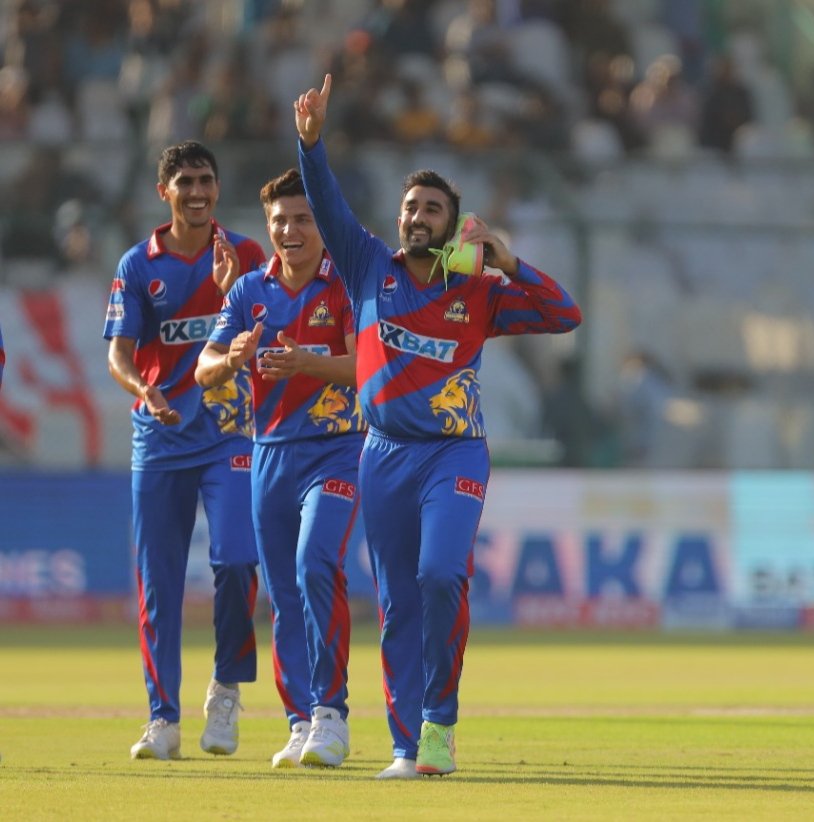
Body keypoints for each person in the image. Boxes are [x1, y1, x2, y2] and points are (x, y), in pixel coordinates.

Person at [293, 75, 583, 779]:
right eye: (411, 207)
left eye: (432, 209)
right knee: (397, 605)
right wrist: (311, 144)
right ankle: (407, 746)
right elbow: (327, 204)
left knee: (442, 574)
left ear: (452, 225)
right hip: (382, 454)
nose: (418, 216)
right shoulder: (367, 266)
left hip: (454, 454)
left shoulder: (478, 292)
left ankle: (440, 726)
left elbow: (564, 314)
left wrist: (509, 261)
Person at [195, 168, 365, 769]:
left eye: (302, 219)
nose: (289, 231)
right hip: (269, 453)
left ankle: (331, 715)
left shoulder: (345, 283)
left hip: (336, 448)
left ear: (322, 223)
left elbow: (367, 368)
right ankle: (299, 721)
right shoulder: (248, 290)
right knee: (284, 594)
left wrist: (305, 364)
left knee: (316, 562)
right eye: (279, 221)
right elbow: (205, 368)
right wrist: (231, 358)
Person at [103, 140, 266, 761]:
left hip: (230, 433)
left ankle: (225, 690)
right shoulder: (137, 265)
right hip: (161, 438)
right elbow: (118, 353)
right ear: (164, 192)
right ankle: (162, 719)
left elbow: (270, 330)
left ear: (217, 188)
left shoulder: (246, 255)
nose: (197, 192)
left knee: (237, 561)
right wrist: (143, 388)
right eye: (185, 182)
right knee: (158, 585)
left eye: (206, 180)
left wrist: (232, 292)